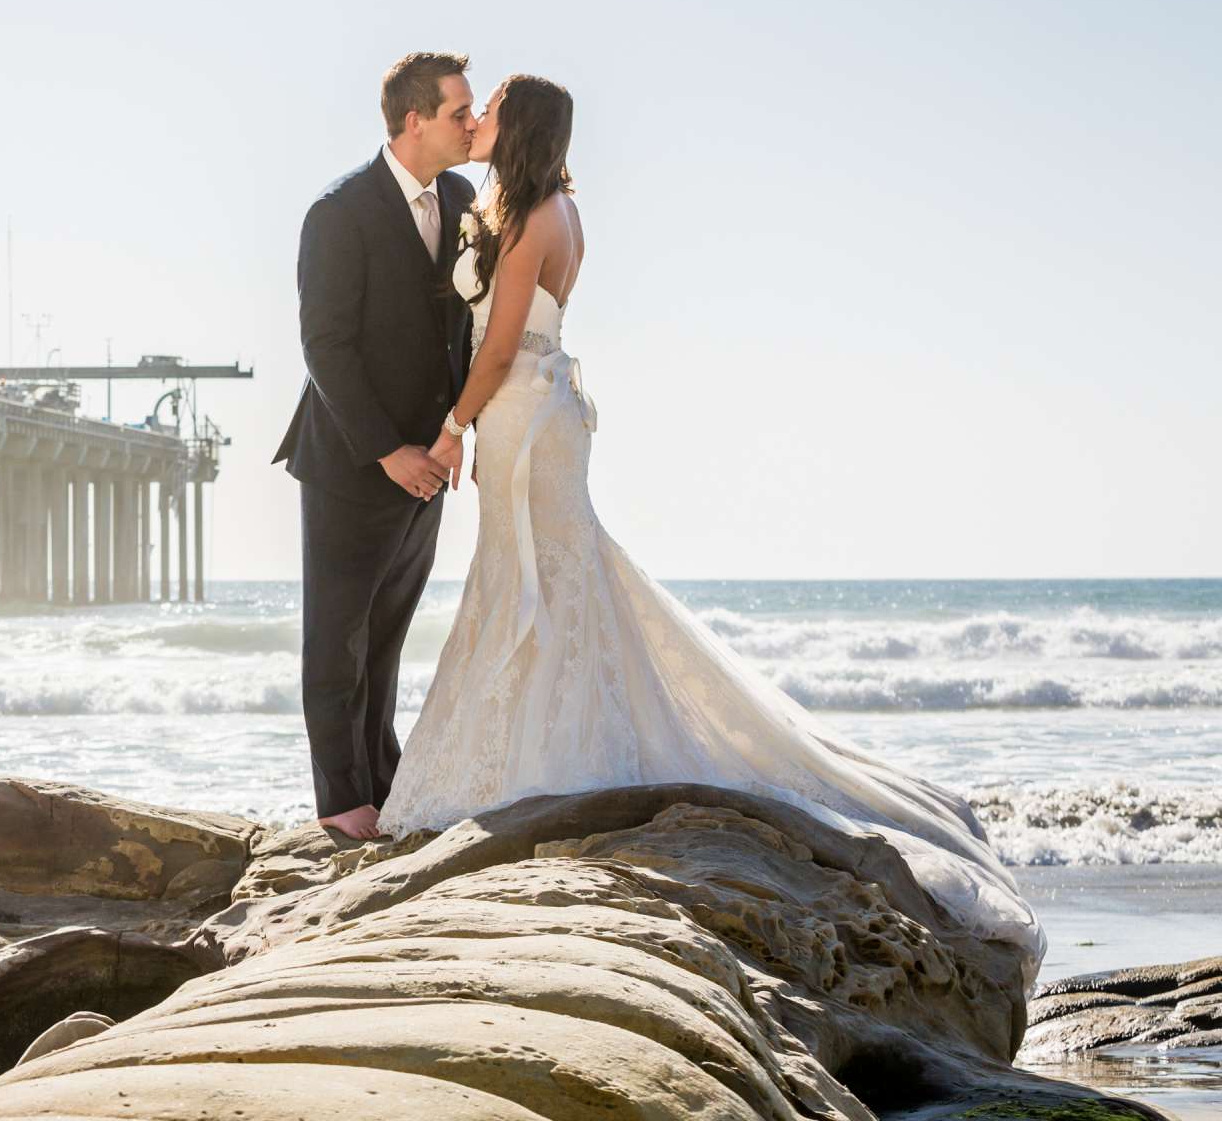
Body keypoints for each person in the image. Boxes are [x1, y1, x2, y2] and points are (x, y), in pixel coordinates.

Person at [375, 73, 1043, 963]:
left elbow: (499, 345)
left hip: (522, 418)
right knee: (550, 579)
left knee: (535, 578)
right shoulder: (551, 213)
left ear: (521, 123)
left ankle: (537, 767)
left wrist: (452, 427)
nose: (479, 117)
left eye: (491, 105)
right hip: (541, 414)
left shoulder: (537, 221)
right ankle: (533, 756)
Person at [274, 51, 478, 840]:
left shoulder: (461, 199)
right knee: (338, 636)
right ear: (413, 119)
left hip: (432, 462)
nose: (471, 126)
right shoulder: (340, 211)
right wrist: (389, 450)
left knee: (388, 634)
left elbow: (457, 329)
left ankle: (383, 783)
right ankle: (340, 803)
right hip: (352, 461)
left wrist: (453, 432)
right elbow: (324, 346)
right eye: (459, 112)